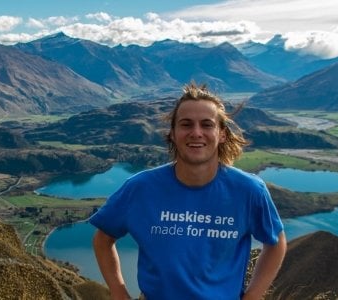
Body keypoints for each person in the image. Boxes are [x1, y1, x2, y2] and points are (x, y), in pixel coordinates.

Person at [90, 83, 287, 300]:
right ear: (172, 133)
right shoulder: (140, 188)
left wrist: (253, 296)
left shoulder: (248, 190)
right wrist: (119, 293)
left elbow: (275, 243)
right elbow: (103, 239)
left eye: (207, 125)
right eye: (186, 124)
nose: (196, 133)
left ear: (221, 134)